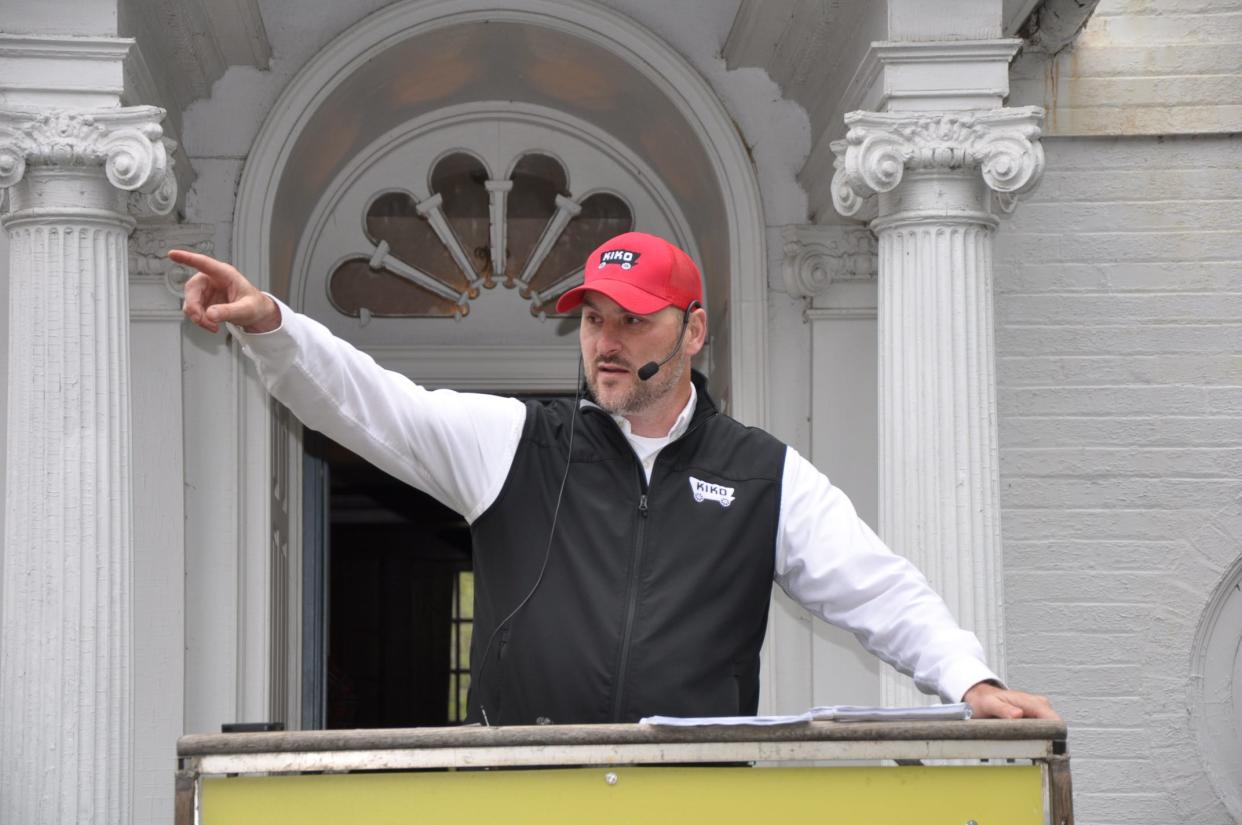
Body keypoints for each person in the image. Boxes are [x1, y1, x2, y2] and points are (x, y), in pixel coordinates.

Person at [172, 232, 1059, 725]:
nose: (606, 340)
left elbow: (880, 590)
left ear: (693, 331)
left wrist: (968, 679)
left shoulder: (761, 472)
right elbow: (372, 403)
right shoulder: (514, 441)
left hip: (689, 797)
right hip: (522, 793)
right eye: (593, 318)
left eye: (633, 320)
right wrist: (275, 326)